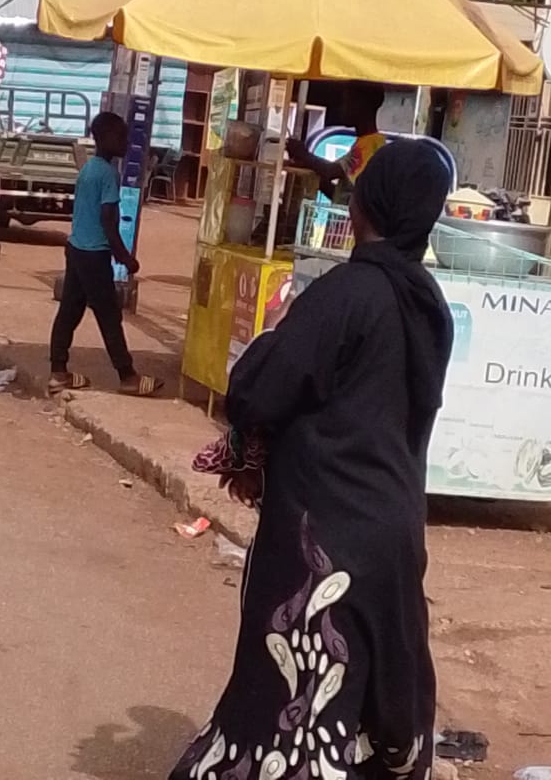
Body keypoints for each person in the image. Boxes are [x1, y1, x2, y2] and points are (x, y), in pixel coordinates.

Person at [170, 140, 454, 780]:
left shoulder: (347, 294)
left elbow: (260, 388)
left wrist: (271, 338)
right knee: (366, 680)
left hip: (324, 526)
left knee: (297, 686)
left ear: (368, 204)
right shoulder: (428, 304)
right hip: (393, 524)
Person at [48, 112, 162, 397]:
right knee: (109, 315)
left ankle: (58, 372)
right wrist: (125, 258)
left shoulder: (89, 169)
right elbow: (108, 221)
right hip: (94, 255)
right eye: (121, 137)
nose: (126, 142)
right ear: (105, 139)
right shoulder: (109, 174)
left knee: (69, 311)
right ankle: (127, 375)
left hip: (76, 249)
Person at [287, 81, 386, 204]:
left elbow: (329, 171)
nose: (341, 108)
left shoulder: (369, 146)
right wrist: (312, 171)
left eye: (346, 102)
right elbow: (342, 197)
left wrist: (303, 153)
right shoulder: (368, 142)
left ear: (361, 105)